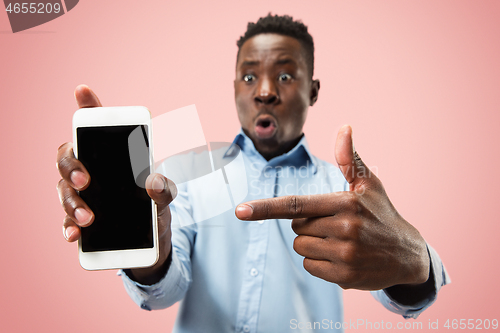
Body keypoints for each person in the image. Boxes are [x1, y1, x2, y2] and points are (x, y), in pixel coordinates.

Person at [56, 14, 449, 332]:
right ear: (235, 90)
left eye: (284, 75)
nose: (264, 91)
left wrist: (414, 263)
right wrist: (149, 249)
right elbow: (163, 294)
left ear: (312, 91)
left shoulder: (342, 189)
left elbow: (401, 292)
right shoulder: (186, 177)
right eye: (248, 77)